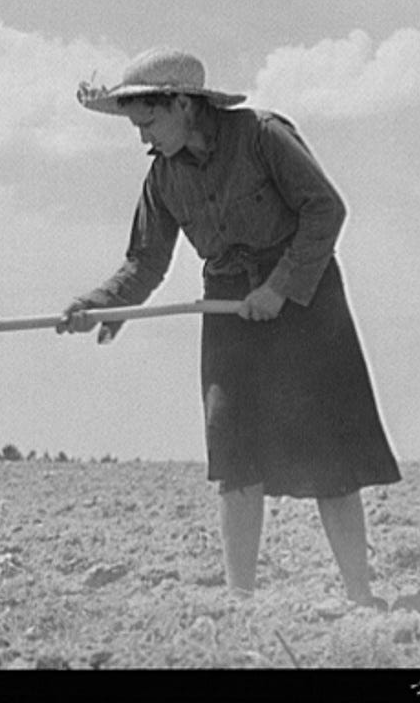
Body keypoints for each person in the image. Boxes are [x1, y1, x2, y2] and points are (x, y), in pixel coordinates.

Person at [57, 47, 401, 608]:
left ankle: (360, 599)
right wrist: (101, 305)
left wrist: (280, 287)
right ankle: (241, 601)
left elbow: (325, 210)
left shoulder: (263, 135)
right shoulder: (163, 176)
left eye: (149, 122)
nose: (143, 138)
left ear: (184, 104)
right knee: (234, 449)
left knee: (331, 453)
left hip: (307, 297)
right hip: (226, 302)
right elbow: (144, 261)